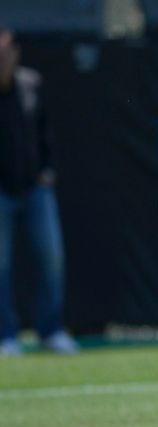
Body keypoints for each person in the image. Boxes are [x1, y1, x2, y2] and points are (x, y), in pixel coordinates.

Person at [0, 28, 78, 356]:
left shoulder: (32, 84)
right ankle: (6, 336)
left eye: (6, 53)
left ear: (16, 53)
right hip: (1, 193)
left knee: (52, 259)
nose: (2, 60)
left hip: (35, 189)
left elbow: (46, 133)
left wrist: (48, 171)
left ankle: (51, 330)